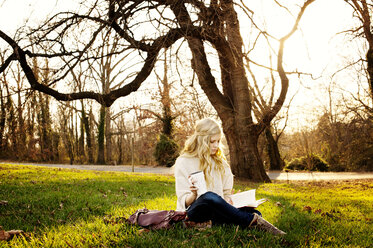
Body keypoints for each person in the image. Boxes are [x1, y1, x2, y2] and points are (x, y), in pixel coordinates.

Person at [174, 118, 286, 235]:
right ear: (201, 140)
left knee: (256, 213)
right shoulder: (183, 161)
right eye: (212, 142)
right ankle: (251, 221)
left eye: (218, 141)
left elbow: (225, 194)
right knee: (208, 197)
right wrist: (193, 195)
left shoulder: (220, 162)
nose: (216, 145)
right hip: (195, 211)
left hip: (217, 211)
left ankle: (208, 223)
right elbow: (183, 202)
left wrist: (231, 199)